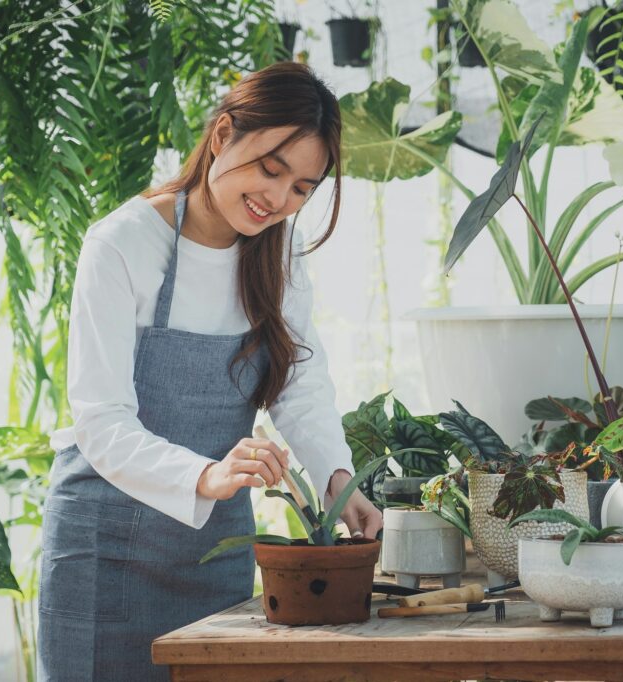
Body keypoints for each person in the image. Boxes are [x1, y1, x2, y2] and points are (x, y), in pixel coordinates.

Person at [38, 62, 381, 682]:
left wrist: (337, 480)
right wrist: (207, 474)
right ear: (222, 135)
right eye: (270, 169)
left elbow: (299, 384)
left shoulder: (281, 255)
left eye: (302, 188)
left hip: (212, 550)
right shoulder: (121, 243)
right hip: (103, 548)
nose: (278, 200)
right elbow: (100, 419)